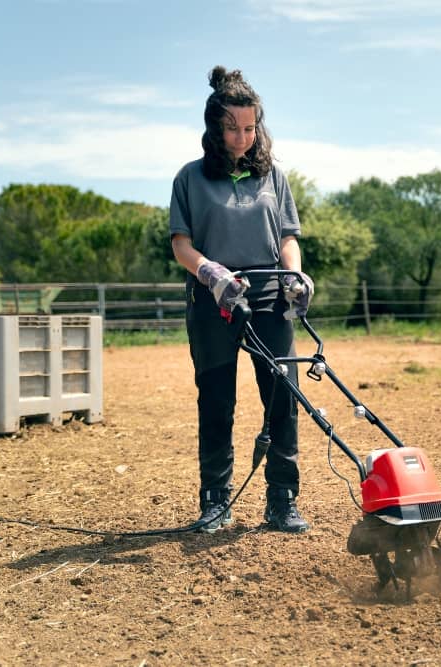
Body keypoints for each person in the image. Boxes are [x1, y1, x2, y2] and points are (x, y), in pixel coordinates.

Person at [169, 66, 313, 534]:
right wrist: (210, 272)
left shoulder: (273, 177)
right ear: (214, 126)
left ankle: (282, 499)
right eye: (231, 127)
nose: (241, 137)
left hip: (270, 299)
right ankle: (215, 500)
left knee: (282, 397)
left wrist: (293, 274)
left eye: (249, 127)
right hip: (214, 302)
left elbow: (288, 235)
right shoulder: (190, 178)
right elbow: (181, 244)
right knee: (216, 400)